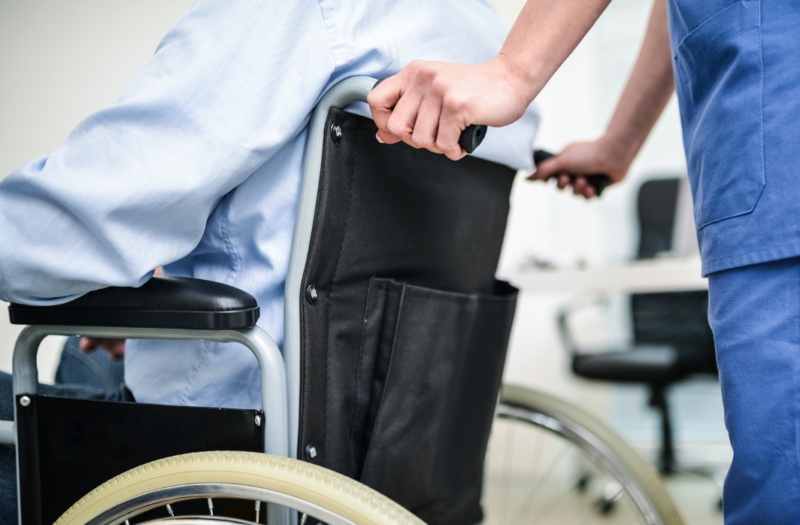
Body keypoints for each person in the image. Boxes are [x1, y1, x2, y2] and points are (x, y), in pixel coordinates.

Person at [0, 0, 539, 518]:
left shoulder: (312, 11)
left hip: (227, 463)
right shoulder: (488, 44)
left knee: (48, 364)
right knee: (80, 349)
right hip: (388, 469)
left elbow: (77, 225)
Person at [368, 0, 800, 522]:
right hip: (768, 159)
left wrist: (511, 72)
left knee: (783, 491)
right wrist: (620, 142)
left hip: (780, 151)